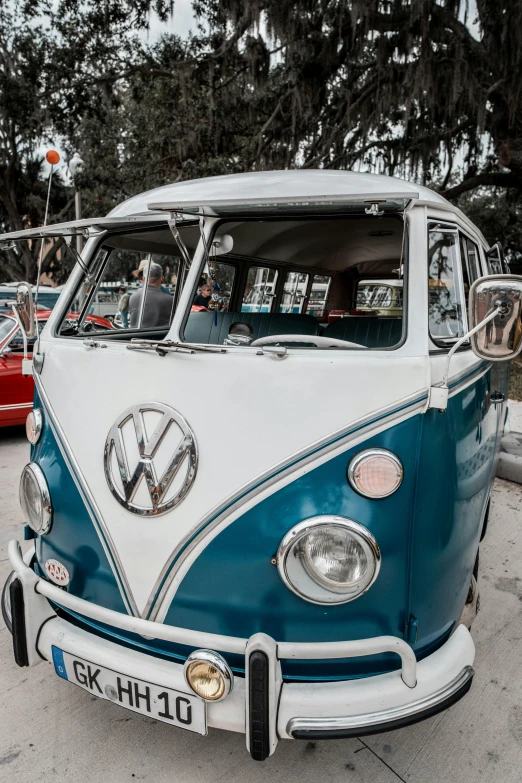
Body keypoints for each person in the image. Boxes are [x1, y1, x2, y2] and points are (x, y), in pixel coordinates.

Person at [129, 263, 173, 328]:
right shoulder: (169, 299)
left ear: (143, 278)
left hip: (135, 337)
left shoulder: (133, 297)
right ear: (162, 279)